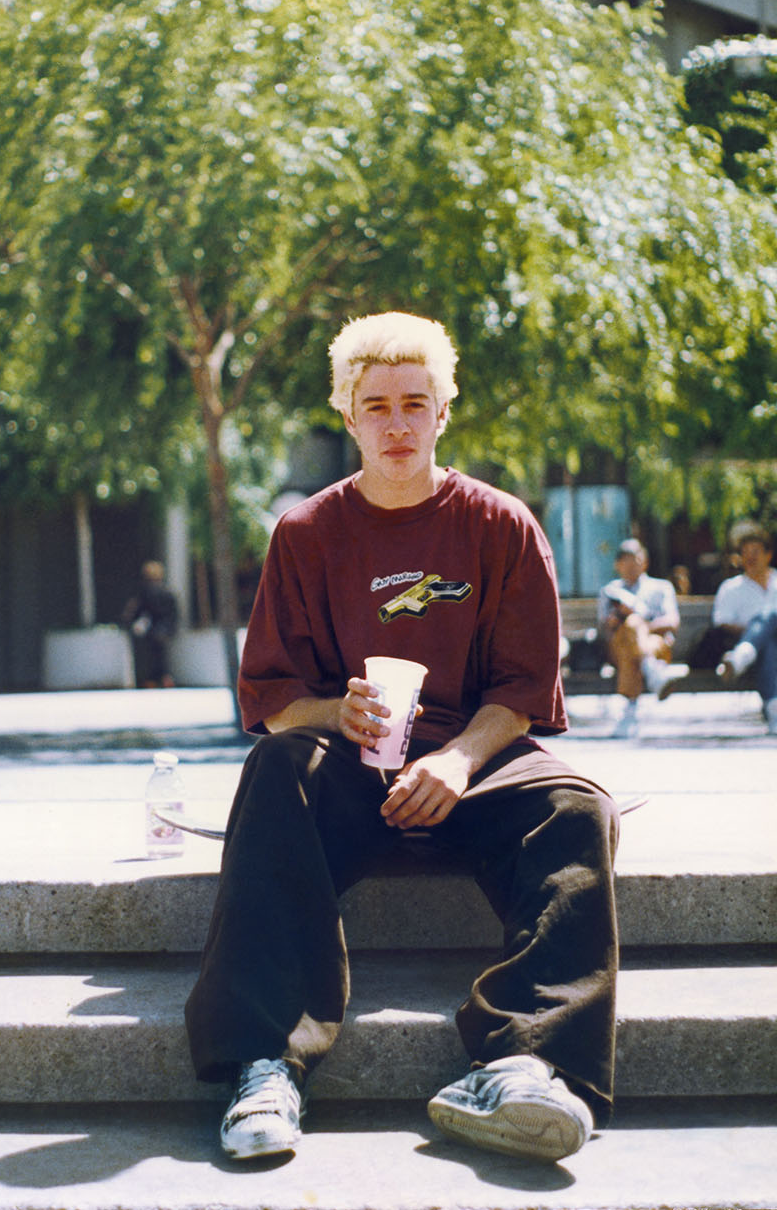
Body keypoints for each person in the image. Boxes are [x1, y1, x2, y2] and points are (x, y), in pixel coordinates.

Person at [185, 311, 620, 1166]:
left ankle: (524, 1065)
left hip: (474, 763)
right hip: (350, 769)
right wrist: (330, 715)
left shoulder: (501, 526)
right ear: (346, 415)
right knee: (276, 768)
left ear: (443, 413)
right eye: (375, 405)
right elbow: (275, 702)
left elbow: (523, 694)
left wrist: (457, 760)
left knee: (576, 807)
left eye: (414, 404)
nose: (395, 424)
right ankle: (265, 1064)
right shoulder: (305, 535)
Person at [596, 539, 683, 732]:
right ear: (617, 565)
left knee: (633, 632)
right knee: (630, 632)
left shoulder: (661, 587)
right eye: (625, 560)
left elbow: (672, 622)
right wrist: (618, 618)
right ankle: (652, 671)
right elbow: (605, 629)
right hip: (619, 648)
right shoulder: (610, 591)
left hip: (656, 646)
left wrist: (641, 626)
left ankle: (629, 711)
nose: (631, 565)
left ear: (645, 561)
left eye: (635, 559)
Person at [714, 524, 777, 731]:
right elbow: (722, 623)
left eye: (755, 552)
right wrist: (756, 634)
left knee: (769, 616)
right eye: (745, 553)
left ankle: (742, 655)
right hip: (744, 643)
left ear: (769, 555)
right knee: (767, 642)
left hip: (744, 651)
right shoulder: (731, 587)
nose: (750, 558)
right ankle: (774, 709)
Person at [121, 560, 177, 688]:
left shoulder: (146, 593)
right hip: (161, 629)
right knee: (160, 655)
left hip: (154, 630)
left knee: (153, 655)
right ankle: (162, 678)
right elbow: (173, 614)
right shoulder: (167, 592)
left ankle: (154, 679)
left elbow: (137, 611)